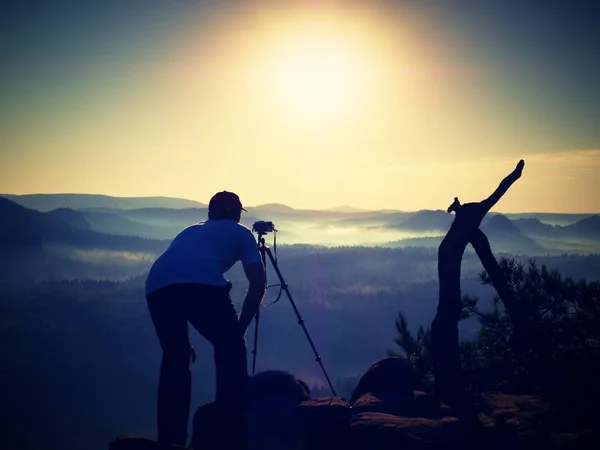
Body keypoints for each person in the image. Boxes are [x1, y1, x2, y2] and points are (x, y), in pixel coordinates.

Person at [145, 191, 266, 448]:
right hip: (203, 286)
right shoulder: (241, 233)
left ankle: (171, 439)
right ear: (237, 213)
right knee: (230, 349)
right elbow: (258, 283)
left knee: (175, 360)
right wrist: (239, 331)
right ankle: (229, 424)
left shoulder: (189, 231)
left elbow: (176, 277)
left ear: (210, 213)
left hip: (157, 285)